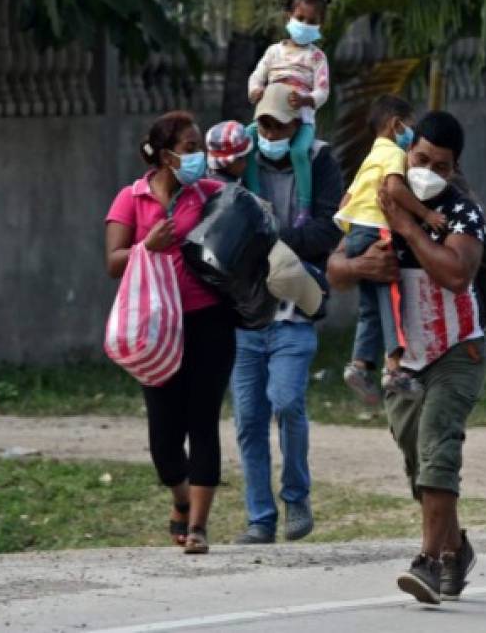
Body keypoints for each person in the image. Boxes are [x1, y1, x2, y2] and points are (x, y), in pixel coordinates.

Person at [327, 111, 486, 604]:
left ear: (454, 168)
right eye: (420, 159)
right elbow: (334, 268)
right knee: (419, 462)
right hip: (405, 362)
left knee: (439, 449)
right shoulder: (380, 196)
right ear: (407, 152)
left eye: (440, 166)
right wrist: (358, 265)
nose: (427, 171)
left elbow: (456, 273)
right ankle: (454, 549)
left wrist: (409, 227)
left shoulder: (462, 214)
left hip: (458, 352)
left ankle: (424, 560)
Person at [104, 111, 235, 555]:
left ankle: (198, 526)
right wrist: (148, 247)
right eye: (192, 147)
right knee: (163, 435)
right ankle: (180, 498)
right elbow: (113, 261)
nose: (200, 155)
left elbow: (245, 230)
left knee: (203, 421)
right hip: (156, 327)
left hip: (208, 322)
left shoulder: (212, 193)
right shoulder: (131, 198)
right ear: (166, 155)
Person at [229, 83, 342, 544]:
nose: (274, 132)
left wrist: (268, 240)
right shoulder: (238, 161)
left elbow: (326, 230)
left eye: (283, 124)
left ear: (298, 125)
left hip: (295, 310)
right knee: (248, 421)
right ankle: (260, 517)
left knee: (287, 402)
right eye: (267, 124)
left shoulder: (318, 161)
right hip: (244, 314)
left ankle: (296, 494)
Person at [334, 95, 446, 404]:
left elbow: (345, 202)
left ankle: (358, 366)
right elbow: (395, 188)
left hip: (356, 233)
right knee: (392, 301)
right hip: (377, 231)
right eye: (410, 128)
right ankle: (395, 370)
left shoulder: (370, 157)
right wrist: (426, 215)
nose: (411, 136)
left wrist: (353, 236)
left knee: (370, 307)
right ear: (396, 125)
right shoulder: (394, 153)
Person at [204, 120, 327, 319]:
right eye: (243, 158)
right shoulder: (235, 196)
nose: (246, 164)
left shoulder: (204, 187)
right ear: (233, 161)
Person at [245, 0, 331, 228]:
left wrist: (306, 100)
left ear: (320, 24)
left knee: (299, 152)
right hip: (268, 112)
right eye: (300, 18)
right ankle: (256, 196)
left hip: (299, 119)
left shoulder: (316, 58)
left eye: (311, 21)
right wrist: (256, 91)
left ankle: (304, 209)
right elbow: (256, 76)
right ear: (288, 17)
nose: (304, 24)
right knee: (246, 141)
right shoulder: (274, 52)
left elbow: (323, 90)